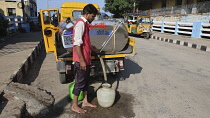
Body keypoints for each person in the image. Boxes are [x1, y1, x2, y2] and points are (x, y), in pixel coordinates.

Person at [71, 4, 99, 114]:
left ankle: (85, 101)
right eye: (92, 16)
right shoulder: (80, 24)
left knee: (86, 81)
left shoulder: (86, 24)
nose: (93, 19)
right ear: (87, 14)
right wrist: (81, 60)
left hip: (86, 58)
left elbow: (85, 42)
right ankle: (74, 105)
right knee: (80, 82)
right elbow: (77, 44)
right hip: (81, 60)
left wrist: (93, 49)